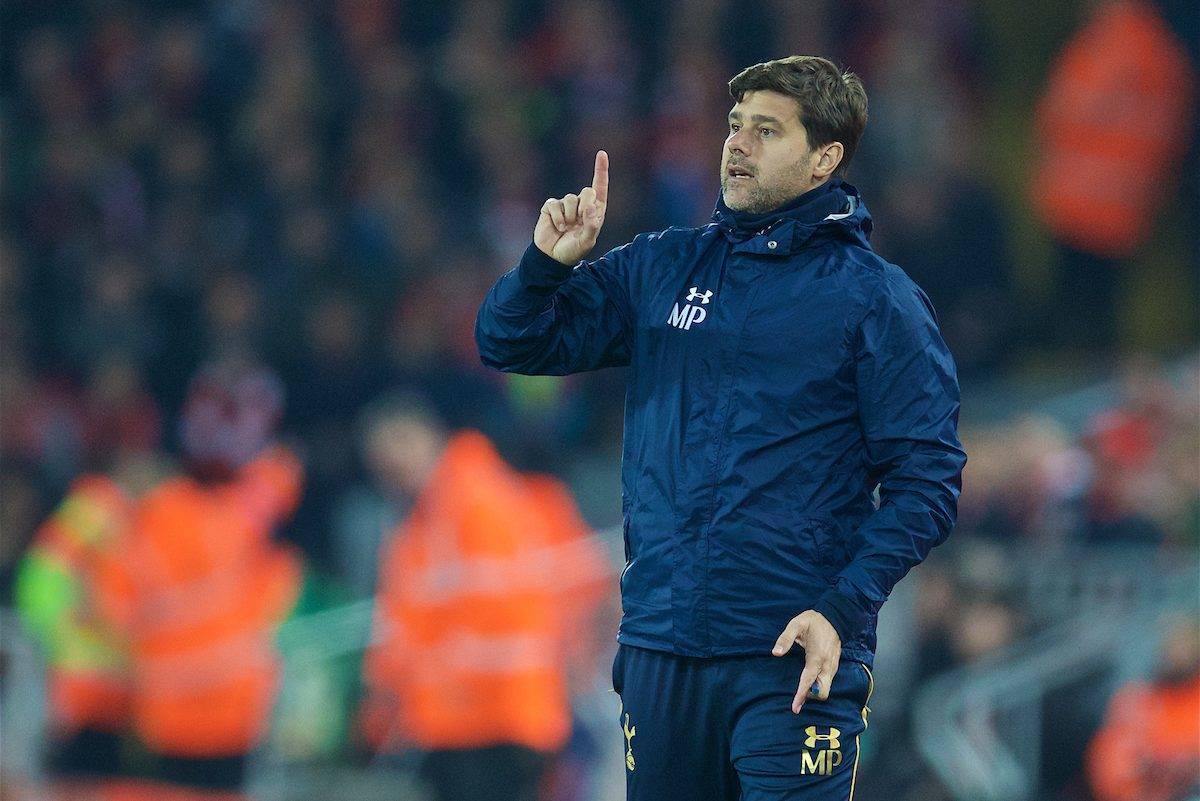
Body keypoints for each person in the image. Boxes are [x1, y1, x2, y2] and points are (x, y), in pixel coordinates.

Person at [476, 55, 966, 800]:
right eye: (735, 126)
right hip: (661, 646)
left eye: (767, 131)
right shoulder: (662, 269)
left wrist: (844, 607)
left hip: (792, 653)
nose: (736, 144)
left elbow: (927, 479)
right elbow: (511, 341)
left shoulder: (878, 301)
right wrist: (545, 266)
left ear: (823, 159)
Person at [361, 400, 611, 801]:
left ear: (427, 439)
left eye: (397, 454)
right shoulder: (427, 523)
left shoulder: (466, 507)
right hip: (483, 718)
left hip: (490, 721)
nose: (393, 473)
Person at [92, 359, 304, 790]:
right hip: (223, 712)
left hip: (174, 714)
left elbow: (115, 606)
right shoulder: (243, 510)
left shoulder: (158, 511)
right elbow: (279, 475)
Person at [1086, 618, 1200, 801]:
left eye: (1185, 646)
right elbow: (1112, 763)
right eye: (1172, 646)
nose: (1177, 654)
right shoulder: (1136, 699)